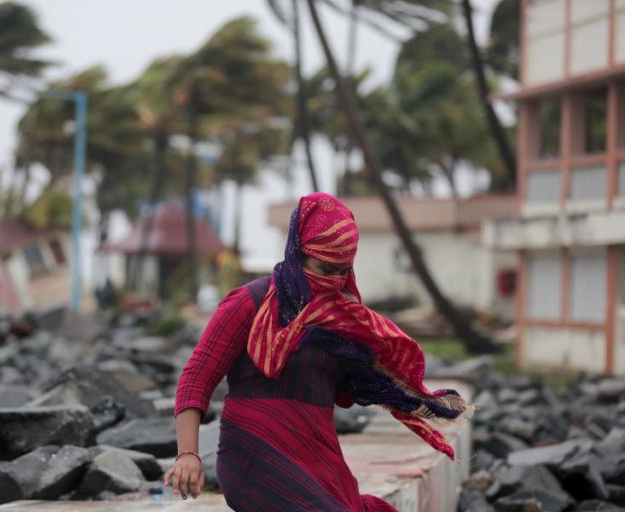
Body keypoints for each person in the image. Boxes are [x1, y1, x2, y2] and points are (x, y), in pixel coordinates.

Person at [165, 192, 472, 511]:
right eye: (325, 269)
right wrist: (188, 454)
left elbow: (345, 390)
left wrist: (394, 377)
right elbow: (195, 378)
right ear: (299, 254)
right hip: (254, 453)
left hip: (317, 457)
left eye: (343, 271)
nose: (336, 281)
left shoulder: (345, 319)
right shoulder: (250, 302)